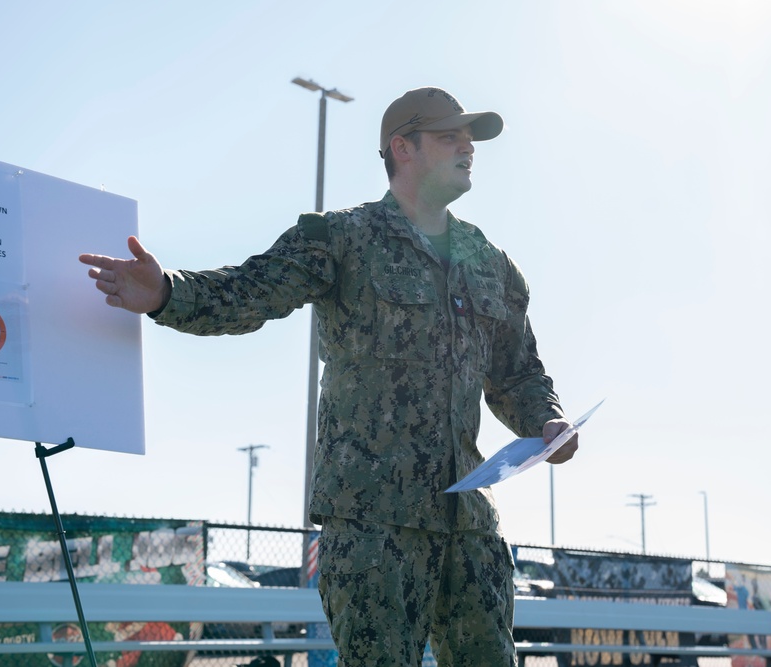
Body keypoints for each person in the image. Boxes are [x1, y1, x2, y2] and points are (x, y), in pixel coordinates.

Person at [80, 86, 580, 667]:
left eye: (470, 139)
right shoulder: (342, 239)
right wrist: (168, 291)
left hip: (469, 528)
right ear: (404, 148)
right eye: (451, 136)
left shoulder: (491, 265)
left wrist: (548, 421)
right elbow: (250, 291)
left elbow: (519, 374)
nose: (468, 147)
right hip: (373, 527)